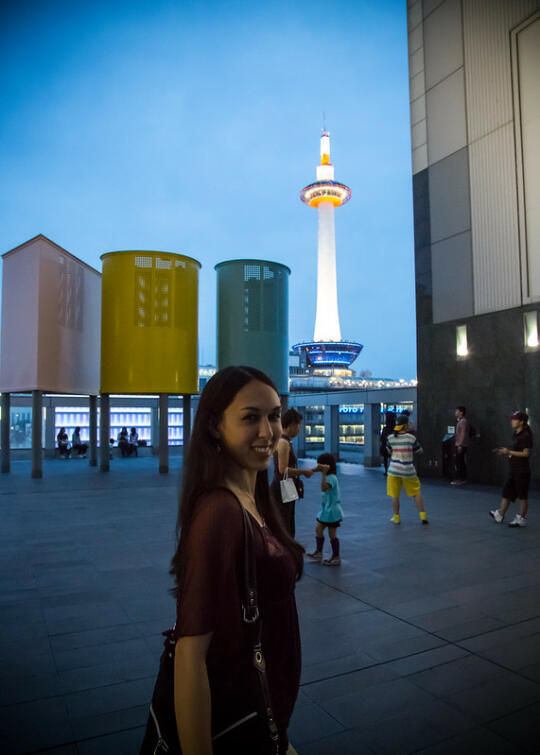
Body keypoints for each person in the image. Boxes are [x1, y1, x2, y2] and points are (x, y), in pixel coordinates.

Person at [167, 365, 303, 754]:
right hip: (243, 725)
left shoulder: (255, 497)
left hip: (269, 720)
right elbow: (190, 653)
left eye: (274, 416)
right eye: (250, 418)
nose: (268, 432)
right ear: (214, 425)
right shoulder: (219, 513)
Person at [271, 408, 319, 538]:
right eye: (298, 426)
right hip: (284, 486)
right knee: (286, 521)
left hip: (286, 485)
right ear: (291, 424)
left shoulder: (284, 441)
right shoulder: (284, 443)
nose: (299, 429)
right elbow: (283, 470)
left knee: (288, 518)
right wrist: (304, 472)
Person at [490, 411, 533, 528]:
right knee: (507, 492)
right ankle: (500, 514)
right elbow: (514, 450)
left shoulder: (526, 436)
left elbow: (525, 454)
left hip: (522, 470)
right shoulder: (516, 434)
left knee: (522, 496)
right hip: (513, 469)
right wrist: (504, 452)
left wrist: (508, 452)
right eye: (512, 419)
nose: (512, 421)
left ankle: (521, 518)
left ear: (521, 422)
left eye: (514, 419)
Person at [386, 413, 428, 525]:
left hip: (394, 470)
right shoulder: (411, 438)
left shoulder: (390, 438)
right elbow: (419, 450)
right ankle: (423, 516)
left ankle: (396, 517)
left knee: (395, 495)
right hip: (408, 470)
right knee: (416, 493)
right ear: (406, 425)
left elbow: (389, 451)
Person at [306, 453, 343, 566]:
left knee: (332, 534)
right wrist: (314, 470)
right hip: (325, 510)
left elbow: (323, 487)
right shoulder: (328, 476)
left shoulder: (331, 478)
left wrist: (324, 473)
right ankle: (319, 552)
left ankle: (336, 556)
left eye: (320, 464)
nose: (319, 467)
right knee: (318, 529)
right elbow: (315, 471)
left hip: (332, 511)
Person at [451, 406, 469, 486]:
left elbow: (463, 433)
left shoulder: (463, 422)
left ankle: (460, 479)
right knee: (460, 462)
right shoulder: (461, 421)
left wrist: (460, 444)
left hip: (460, 445)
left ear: (461, 412)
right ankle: (462, 478)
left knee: (459, 462)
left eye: (457, 411)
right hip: (460, 444)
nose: (455, 412)